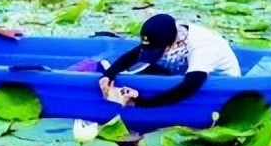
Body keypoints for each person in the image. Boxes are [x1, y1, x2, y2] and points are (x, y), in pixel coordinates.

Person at [98, 13, 241, 107]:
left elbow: (188, 88)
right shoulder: (170, 33)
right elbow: (135, 54)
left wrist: (142, 102)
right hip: (190, 74)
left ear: (173, 44)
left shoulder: (202, 48)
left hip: (220, 87)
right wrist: (108, 75)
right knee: (151, 69)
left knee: (160, 76)